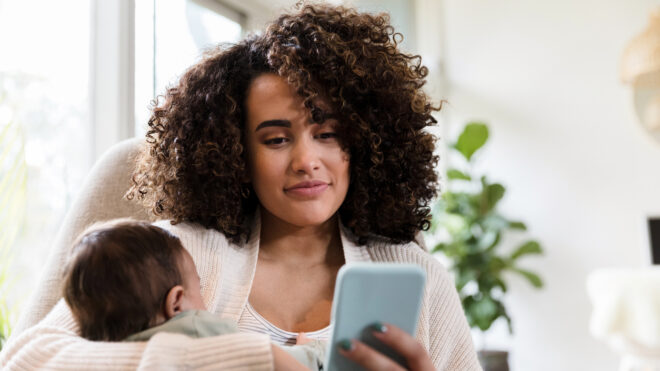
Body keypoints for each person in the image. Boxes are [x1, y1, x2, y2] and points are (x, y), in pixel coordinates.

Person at [1, 3, 481, 370]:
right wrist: (249, 359)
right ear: (235, 153)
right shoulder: (181, 256)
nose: (306, 161)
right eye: (276, 139)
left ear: (362, 142)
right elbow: (26, 359)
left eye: (328, 134)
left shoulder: (420, 282)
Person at [62, 220, 324, 370]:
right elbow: (261, 358)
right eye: (198, 288)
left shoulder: (107, 349)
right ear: (176, 302)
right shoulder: (196, 329)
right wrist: (310, 352)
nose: (203, 301)